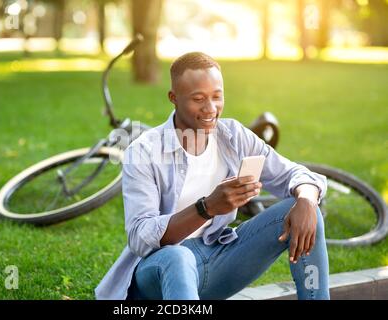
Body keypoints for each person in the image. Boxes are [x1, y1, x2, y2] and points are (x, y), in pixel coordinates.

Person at [95, 52, 330, 300]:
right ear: (173, 98)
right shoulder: (144, 152)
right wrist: (206, 208)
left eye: (217, 97)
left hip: (217, 259)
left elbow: (296, 174)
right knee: (178, 256)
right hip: (160, 273)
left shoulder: (234, 136)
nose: (210, 108)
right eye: (198, 99)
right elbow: (140, 237)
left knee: (306, 209)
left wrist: (306, 199)